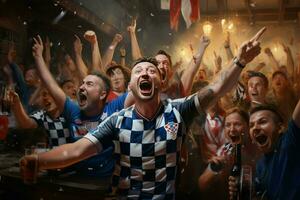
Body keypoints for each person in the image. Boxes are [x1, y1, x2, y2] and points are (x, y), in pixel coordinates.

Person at [21, 27, 265, 199]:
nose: (146, 73)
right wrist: (38, 160)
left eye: (151, 70)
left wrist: (239, 61)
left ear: (160, 82)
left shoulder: (178, 110)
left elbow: (217, 88)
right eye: (138, 71)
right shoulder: (116, 121)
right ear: (130, 87)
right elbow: (76, 150)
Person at [32, 35, 130, 177]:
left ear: (102, 94)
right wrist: (39, 57)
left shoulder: (113, 109)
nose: (82, 87)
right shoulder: (74, 110)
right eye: (82, 83)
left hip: (106, 184)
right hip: (77, 179)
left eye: (89, 84)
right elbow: (50, 84)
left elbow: (137, 91)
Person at [228, 99, 300, 200]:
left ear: (280, 128)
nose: (255, 128)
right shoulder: (260, 166)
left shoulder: (289, 143)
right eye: (251, 125)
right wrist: (241, 191)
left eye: (262, 122)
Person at [198, 108, 259, 199]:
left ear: (248, 126)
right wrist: (214, 168)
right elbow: (202, 185)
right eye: (228, 125)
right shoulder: (226, 150)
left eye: (237, 124)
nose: (232, 129)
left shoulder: (259, 147)